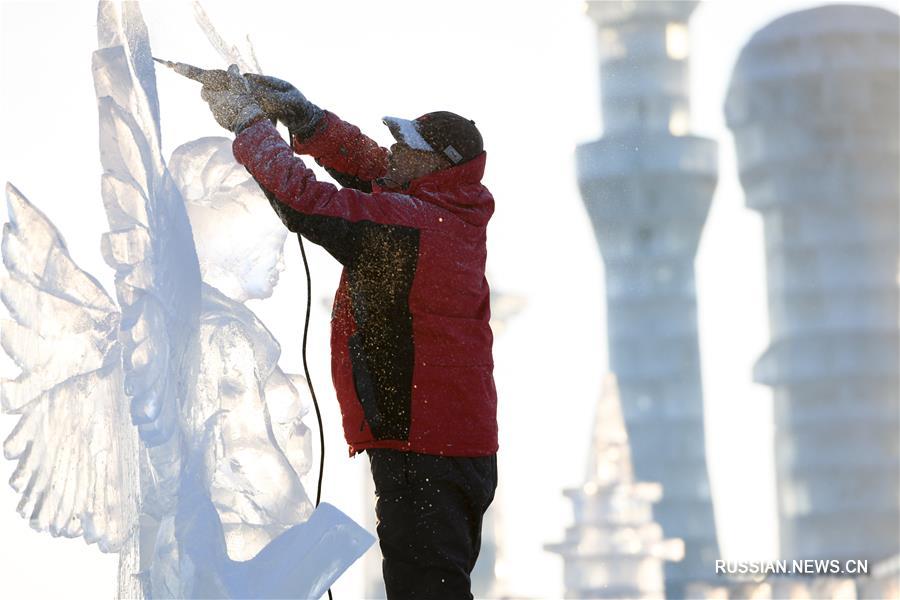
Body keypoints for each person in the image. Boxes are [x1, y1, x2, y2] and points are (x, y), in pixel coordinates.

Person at [199, 65, 498, 599]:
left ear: (435, 163)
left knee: (424, 591)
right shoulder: (450, 210)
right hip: (450, 447)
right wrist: (306, 120)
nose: (392, 152)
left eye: (406, 146)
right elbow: (373, 170)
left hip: (424, 450)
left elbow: (306, 202)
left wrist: (250, 128)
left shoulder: (408, 224)